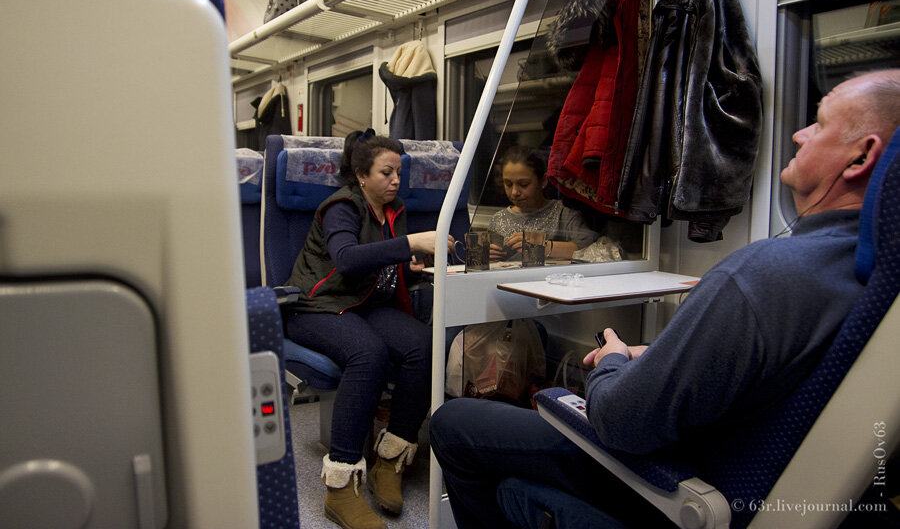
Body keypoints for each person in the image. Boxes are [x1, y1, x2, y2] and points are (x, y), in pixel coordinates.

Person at [430, 69, 900, 528]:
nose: (798, 135)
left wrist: (611, 358)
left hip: (676, 474)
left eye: (817, 124)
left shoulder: (760, 275)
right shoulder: (870, 275)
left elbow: (620, 412)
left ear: (860, 159)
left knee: (455, 423)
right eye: (507, 185)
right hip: (724, 453)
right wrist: (651, 355)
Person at [284, 129, 453, 529]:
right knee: (369, 354)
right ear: (361, 175)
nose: (396, 181)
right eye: (386, 173)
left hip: (363, 303)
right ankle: (340, 487)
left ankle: (389, 461)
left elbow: (380, 267)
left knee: (424, 346)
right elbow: (345, 259)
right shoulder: (342, 206)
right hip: (317, 306)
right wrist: (411, 243)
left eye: (399, 173)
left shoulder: (395, 211)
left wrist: (406, 269)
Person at [488, 146, 599, 263]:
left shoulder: (564, 212)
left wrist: (542, 246)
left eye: (524, 184)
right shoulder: (498, 220)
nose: (515, 192)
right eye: (508, 184)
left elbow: (589, 247)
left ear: (543, 181)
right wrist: (488, 256)